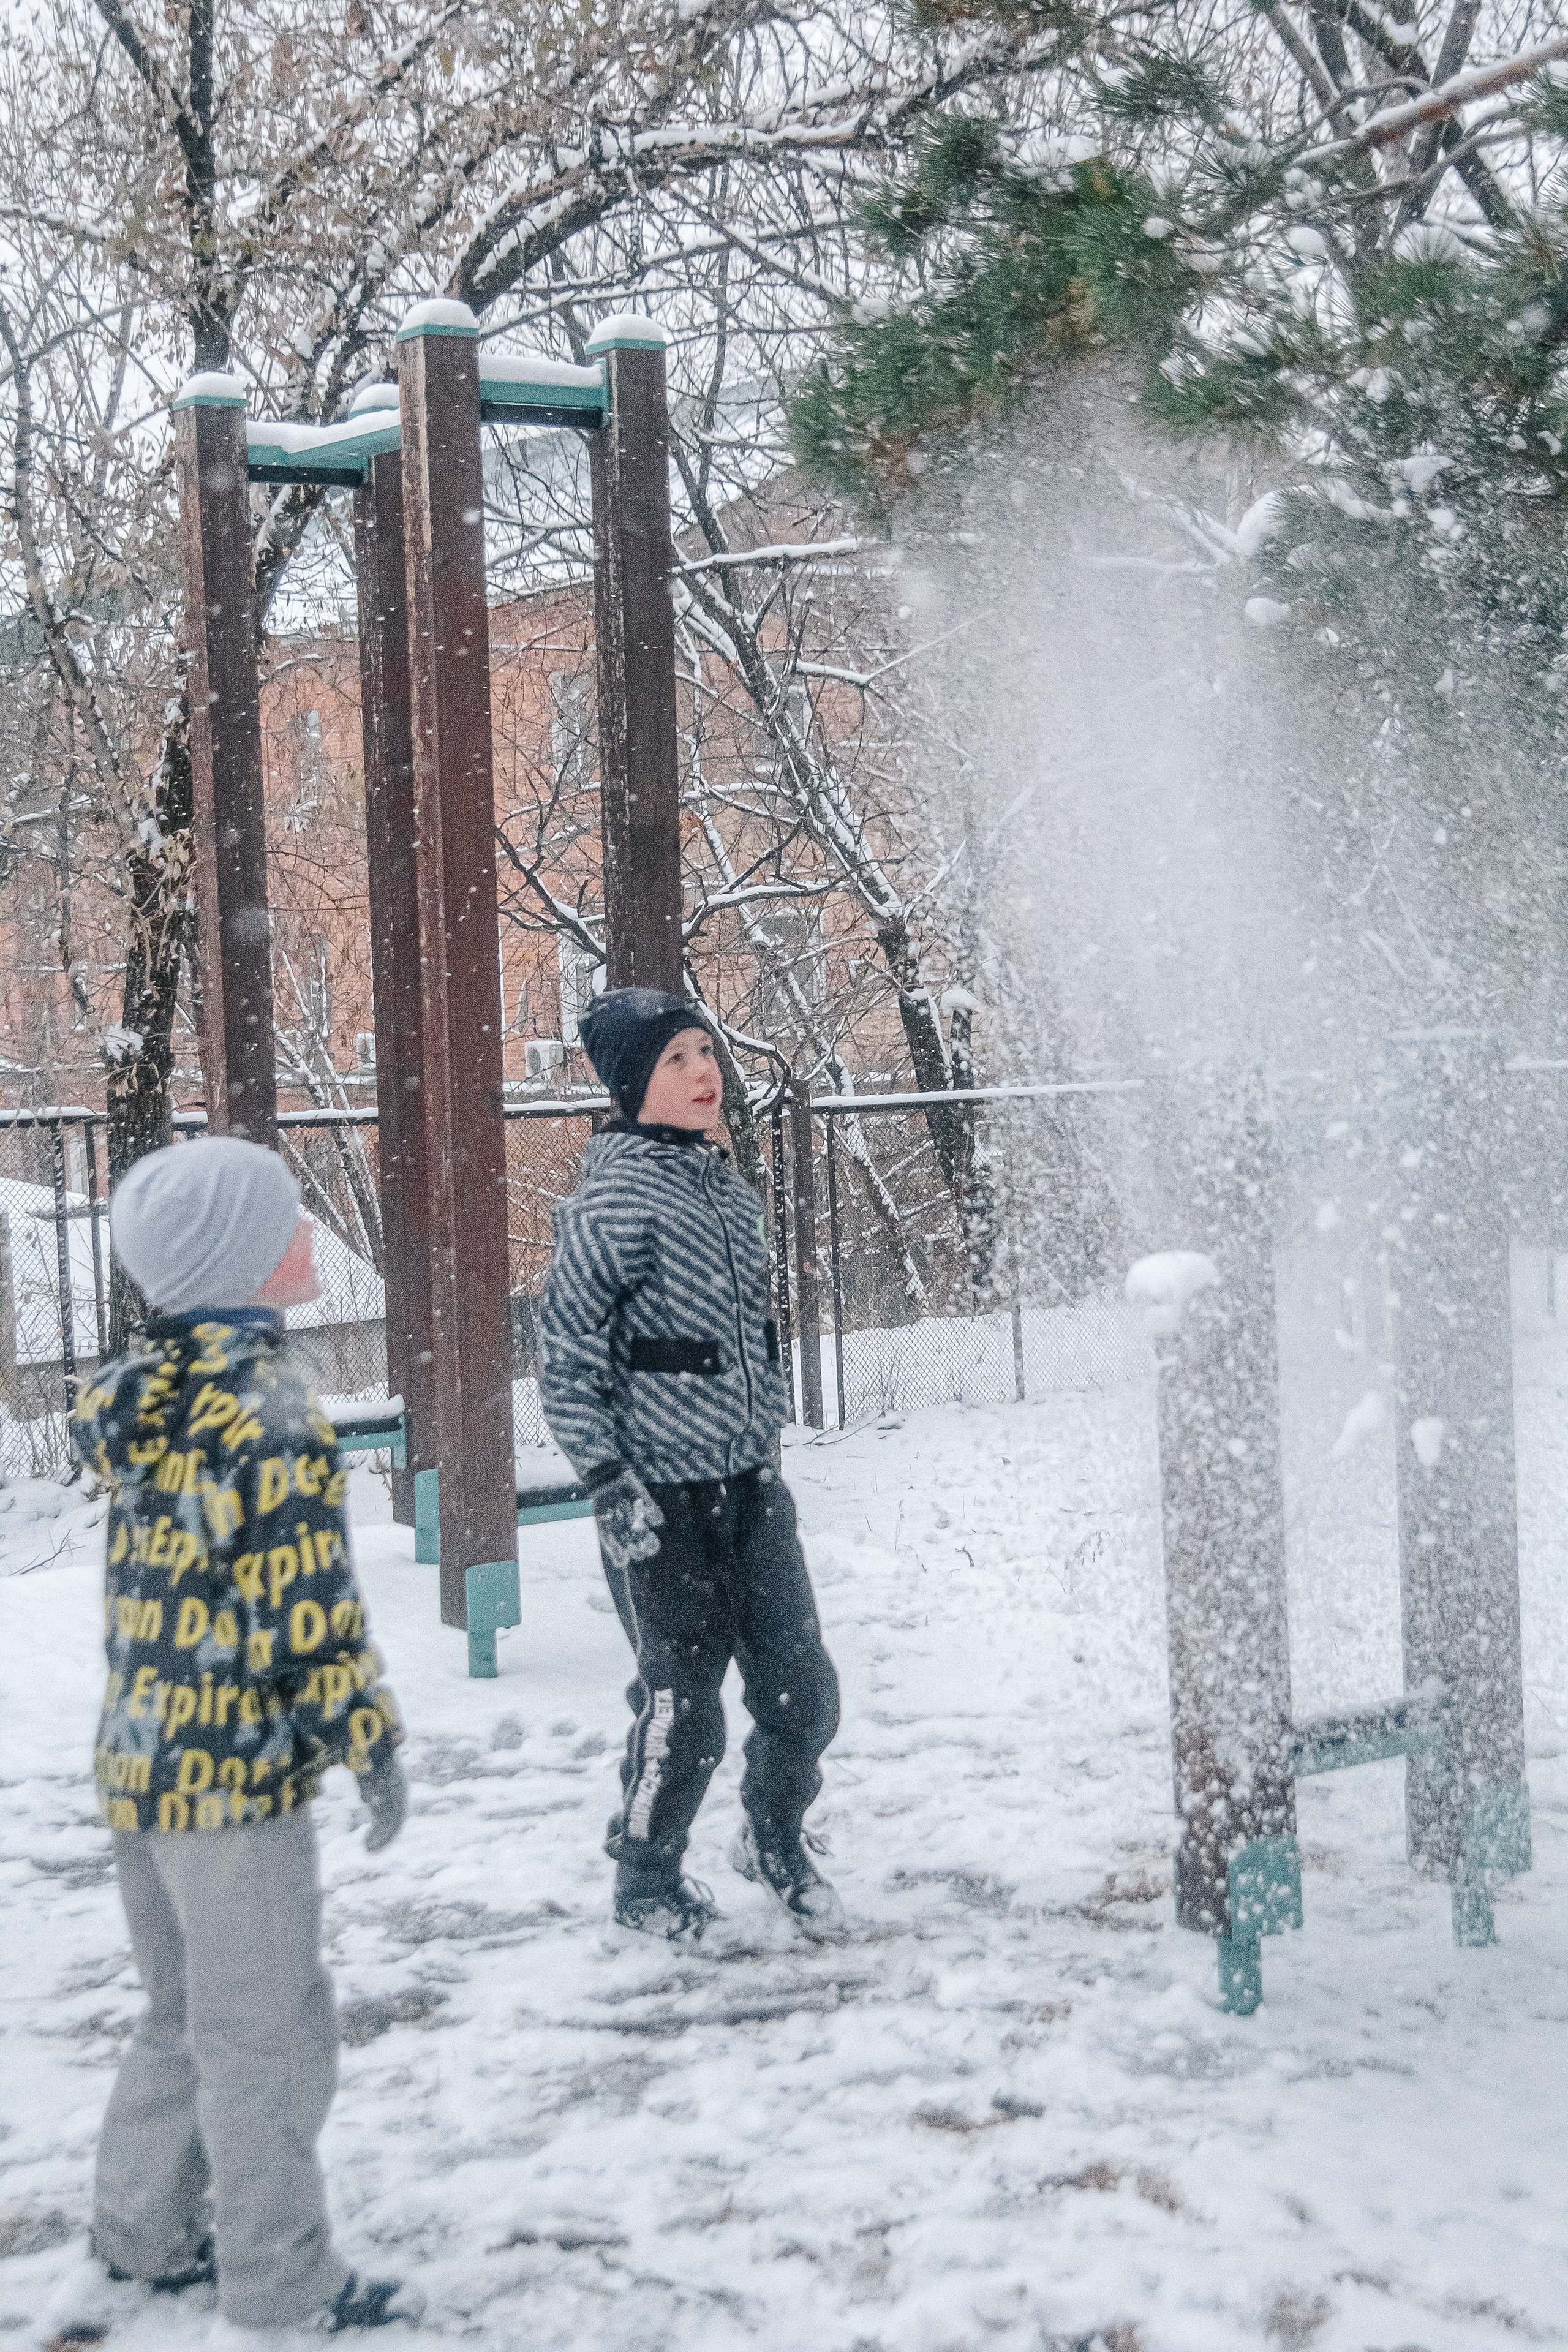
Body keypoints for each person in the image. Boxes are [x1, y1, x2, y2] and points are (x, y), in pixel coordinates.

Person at [72, 1136, 421, 2334]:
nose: (307, 1239)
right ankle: (281, 2279)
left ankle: (141, 2236)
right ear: (233, 1260)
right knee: (265, 2033)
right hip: (231, 1781)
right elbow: (304, 1614)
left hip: (141, 1766)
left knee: (178, 2017)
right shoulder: (265, 1409)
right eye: (286, 1225)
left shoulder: (146, 1400)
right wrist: (365, 1738)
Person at [538, 988, 842, 1941]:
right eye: (675, 1060)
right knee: (685, 1711)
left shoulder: (733, 1196)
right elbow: (565, 1357)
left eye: (705, 1051)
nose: (704, 1072)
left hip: (752, 1487)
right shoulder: (610, 1209)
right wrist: (606, 1479)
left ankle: (773, 1834)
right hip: (658, 1503)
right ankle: (645, 1880)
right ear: (632, 1087)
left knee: (804, 1691)